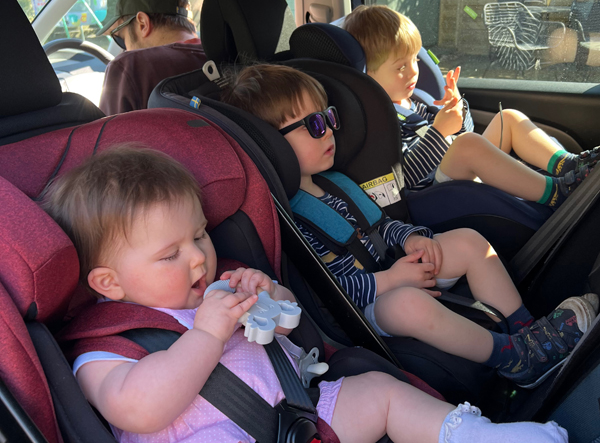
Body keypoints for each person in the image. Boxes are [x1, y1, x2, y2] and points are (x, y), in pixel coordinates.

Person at [43, 145, 575, 443]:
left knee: (382, 394)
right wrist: (206, 332)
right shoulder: (106, 345)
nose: (199, 257)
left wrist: (269, 294)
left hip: (306, 412)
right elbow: (140, 409)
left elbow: (290, 328)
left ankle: (475, 436)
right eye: (170, 254)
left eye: (200, 234)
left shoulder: (219, 285)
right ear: (108, 283)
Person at [220, 63, 599, 389]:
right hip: (366, 307)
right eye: (314, 125)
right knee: (407, 305)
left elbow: (382, 226)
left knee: (468, 242)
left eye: (330, 118)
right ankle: (513, 358)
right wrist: (390, 282)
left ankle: (527, 332)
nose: (330, 131)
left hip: (393, 270)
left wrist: (413, 237)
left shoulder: (336, 183)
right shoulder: (293, 218)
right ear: (271, 145)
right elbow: (330, 292)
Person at [342, 5, 599, 208]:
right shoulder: (377, 123)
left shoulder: (416, 99)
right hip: (429, 195)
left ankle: (570, 165)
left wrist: (458, 109)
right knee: (468, 146)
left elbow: (464, 131)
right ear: (366, 74)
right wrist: (439, 133)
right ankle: (556, 193)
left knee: (506, 118)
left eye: (414, 60)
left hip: (455, 170)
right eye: (400, 67)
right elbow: (404, 179)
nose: (413, 72)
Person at [97, 0, 207, 115]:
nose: (125, 49)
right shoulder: (222, 55)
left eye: (121, 39)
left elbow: (105, 132)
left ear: (143, 23)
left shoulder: (131, 68)